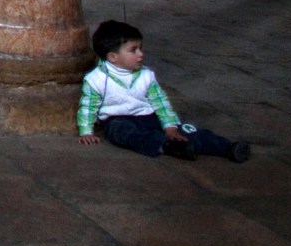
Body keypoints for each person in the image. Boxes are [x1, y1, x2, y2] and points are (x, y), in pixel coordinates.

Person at [77, 19, 250, 162]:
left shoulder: (146, 76)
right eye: (133, 50)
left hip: (149, 116)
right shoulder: (96, 79)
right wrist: (86, 131)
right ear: (112, 57)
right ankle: (167, 146)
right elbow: (88, 106)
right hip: (118, 120)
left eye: (140, 48)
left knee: (187, 130)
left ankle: (227, 148)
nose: (140, 54)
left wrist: (170, 126)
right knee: (123, 134)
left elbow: (160, 103)